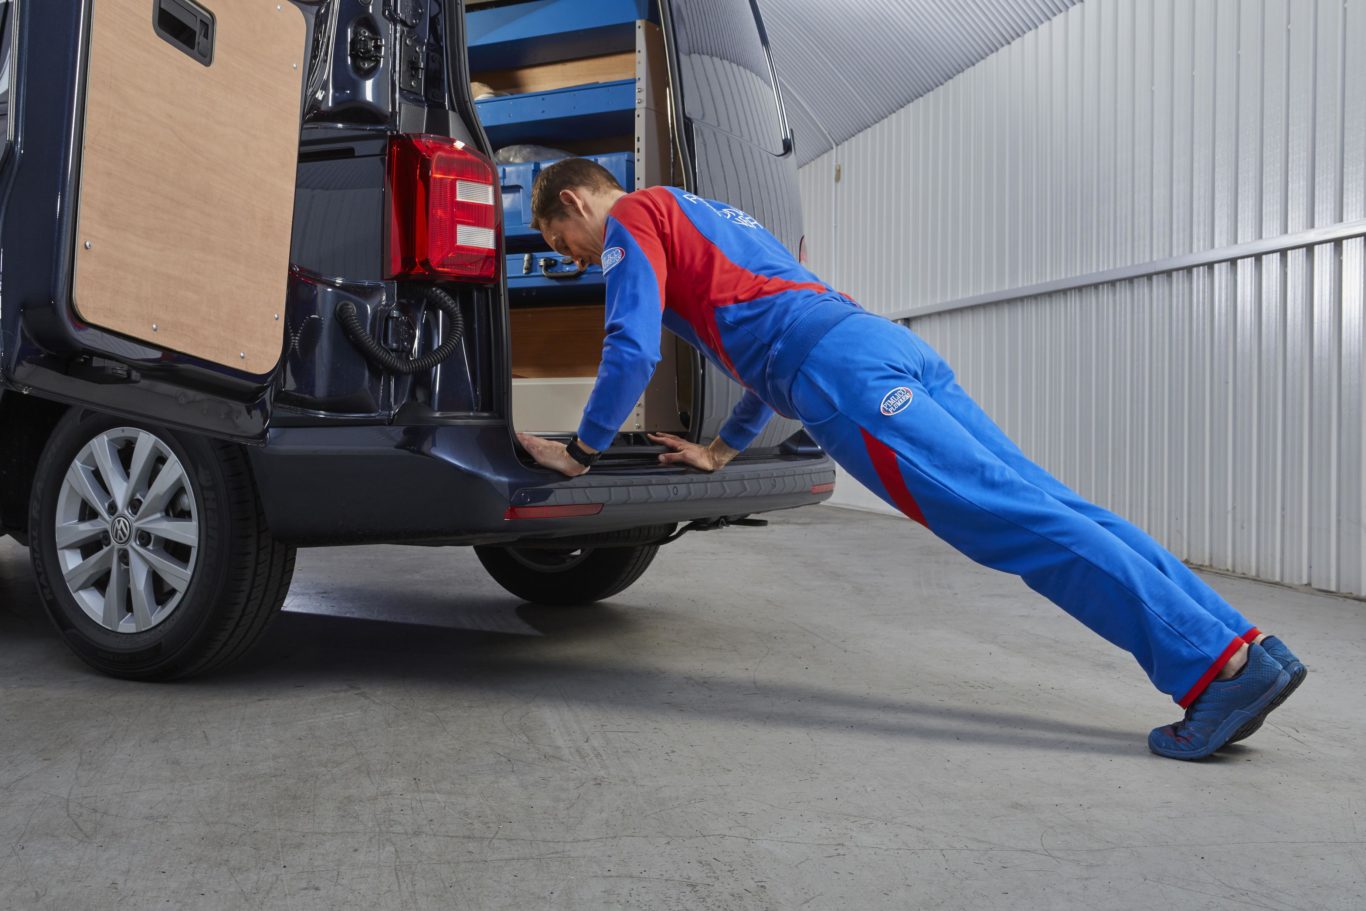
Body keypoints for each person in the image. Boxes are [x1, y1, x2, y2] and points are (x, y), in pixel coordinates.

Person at [514, 158, 1306, 760]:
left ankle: (1213, 674)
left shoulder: (631, 223)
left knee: (1016, 523)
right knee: (1050, 502)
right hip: (878, 344)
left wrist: (580, 450)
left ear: (577, 202)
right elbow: (763, 338)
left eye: (561, 241)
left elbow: (630, 349)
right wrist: (724, 448)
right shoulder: (695, 211)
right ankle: (1242, 646)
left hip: (842, 372)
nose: (575, 257)